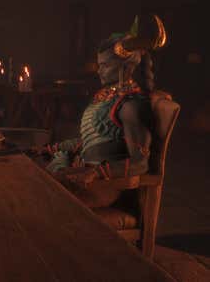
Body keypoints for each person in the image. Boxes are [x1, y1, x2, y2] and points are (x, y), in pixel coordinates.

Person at [44, 15, 167, 208]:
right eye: (99, 65)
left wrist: (96, 173)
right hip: (83, 173)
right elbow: (92, 141)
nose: (99, 71)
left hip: (103, 187)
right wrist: (51, 149)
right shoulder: (106, 98)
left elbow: (140, 163)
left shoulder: (131, 105)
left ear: (124, 67)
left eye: (105, 66)